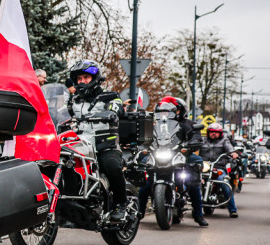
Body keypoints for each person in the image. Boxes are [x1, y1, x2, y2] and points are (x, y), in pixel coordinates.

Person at [66, 60, 128, 221]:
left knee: (112, 167)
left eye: (85, 77)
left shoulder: (110, 96)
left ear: (94, 78)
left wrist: (113, 111)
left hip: (105, 145)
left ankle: (121, 204)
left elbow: (118, 106)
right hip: (81, 145)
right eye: (79, 79)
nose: (82, 82)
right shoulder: (74, 100)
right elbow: (67, 116)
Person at [137, 96, 207, 226]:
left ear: (179, 111)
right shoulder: (155, 125)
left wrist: (194, 142)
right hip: (160, 154)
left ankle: (198, 215)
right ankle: (138, 213)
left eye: (170, 111)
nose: (165, 114)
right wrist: (141, 144)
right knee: (145, 182)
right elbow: (144, 138)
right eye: (162, 112)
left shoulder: (188, 124)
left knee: (193, 179)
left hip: (181, 155)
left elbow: (196, 136)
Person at [199, 123, 239, 218]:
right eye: (212, 132)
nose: (214, 134)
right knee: (191, 181)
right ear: (208, 133)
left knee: (225, 183)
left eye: (216, 133)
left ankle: (232, 210)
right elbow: (195, 149)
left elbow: (230, 149)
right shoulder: (202, 140)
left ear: (220, 133)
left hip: (218, 167)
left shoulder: (224, 140)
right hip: (203, 167)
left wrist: (233, 153)